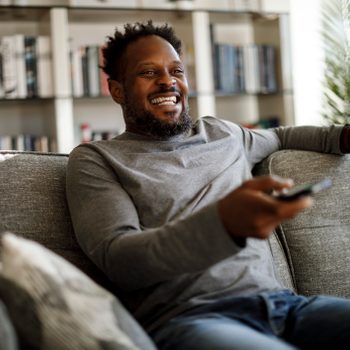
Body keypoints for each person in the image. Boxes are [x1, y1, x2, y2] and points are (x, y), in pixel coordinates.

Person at [66, 21, 350, 350]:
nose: (167, 82)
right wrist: (222, 225)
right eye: (148, 72)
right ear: (117, 90)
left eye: (176, 71)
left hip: (285, 307)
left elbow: (280, 136)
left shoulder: (223, 134)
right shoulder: (96, 159)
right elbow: (119, 258)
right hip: (193, 319)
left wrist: (340, 137)